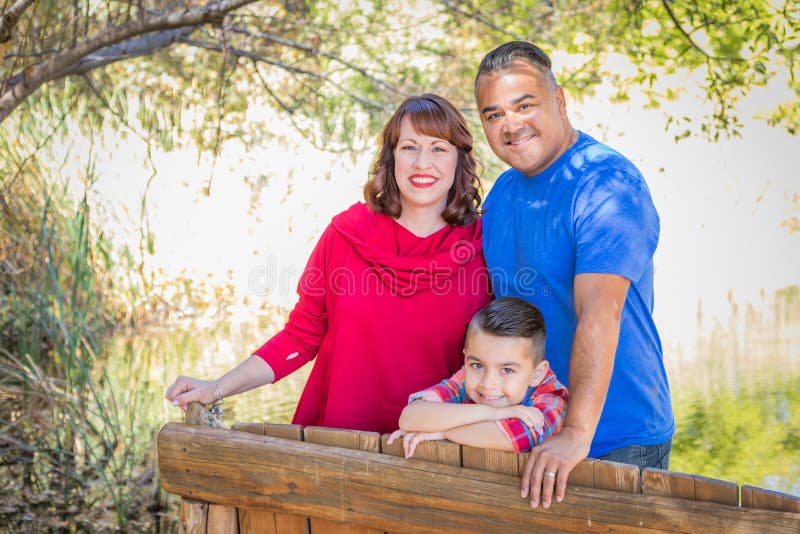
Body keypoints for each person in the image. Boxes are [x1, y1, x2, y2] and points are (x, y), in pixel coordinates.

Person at [165, 94, 492, 435]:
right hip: (336, 442)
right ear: (391, 156)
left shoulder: (484, 246)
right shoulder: (347, 235)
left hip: (435, 449)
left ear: (459, 160)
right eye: (409, 147)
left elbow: (501, 360)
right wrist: (216, 388)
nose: (422, 162)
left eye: (438, 148)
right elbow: (299, 338)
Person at [474, 42, 674, 509]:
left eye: (524, 106)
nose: (510, 124)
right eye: (494, 115)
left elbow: (601, 313)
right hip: (530, 430)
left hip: (614, 436)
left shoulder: (606, 183)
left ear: (559, 100)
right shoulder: (502, 195)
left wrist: (576, 431)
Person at [387, 296, 568, 458]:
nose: (488, 384)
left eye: (507, 370)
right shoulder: (466, 376)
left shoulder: (552, 396)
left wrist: (441, 432)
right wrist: (493, 413)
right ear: (466, 357)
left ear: (537, 374)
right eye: (477, 365)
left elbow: (514, 438)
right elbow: (410, 417)